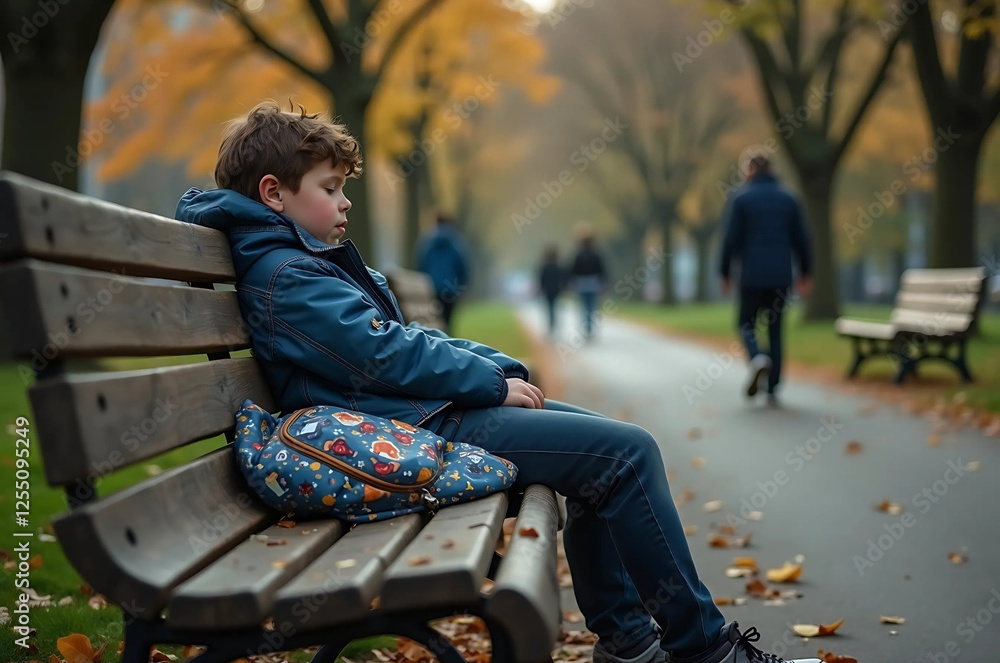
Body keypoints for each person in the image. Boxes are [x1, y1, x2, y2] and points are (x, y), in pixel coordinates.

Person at [176, 100, 820, 663]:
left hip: (410, 416)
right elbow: (384, 355)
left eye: (344, 186)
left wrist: (496, 368)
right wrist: (487, 383)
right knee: (626, 456)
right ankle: (701, 649)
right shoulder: (287, 276)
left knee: (610, 448)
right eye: (331, 186)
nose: (345, 201)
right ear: (272, 192)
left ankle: (631, 643)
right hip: (407, 429)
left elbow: (401, 344)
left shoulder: (291, 260)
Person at [719, 155, 813, 407]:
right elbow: (802, 239)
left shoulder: (741, 199)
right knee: (775, 328)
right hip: (781, 275)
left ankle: (757, 357)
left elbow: (730, 240)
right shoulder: (789, 198)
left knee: (745, 323)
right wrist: (805, 273)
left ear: (750, 170)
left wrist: (725, 273)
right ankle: (772, 388)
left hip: (751, 275)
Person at [415, 212, 469, 335]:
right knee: (448, 322)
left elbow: (421, 266)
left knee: (434, 321)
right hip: (450, 289)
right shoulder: (456, 243)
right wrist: (462, 285)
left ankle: (438, 343)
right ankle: (448, 342)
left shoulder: (427, 243)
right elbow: (462, 267)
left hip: (431, 289)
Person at [570, 227, 607, 342]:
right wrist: (603, 283)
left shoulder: (579, 255)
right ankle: (589, 329)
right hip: (593, 284)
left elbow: (573, 270)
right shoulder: (596, 255)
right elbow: (601, 270)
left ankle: (586, 329)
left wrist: (572, 282)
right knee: (591, 308)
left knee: (584, 308)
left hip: (581, 284)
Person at [538, 245, 565, 337]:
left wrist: (541, 289)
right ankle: (554, 324)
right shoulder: (558, 267)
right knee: (555, 308)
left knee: (550, 309)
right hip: (556, 291)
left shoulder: (545, 267)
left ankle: (551, 325)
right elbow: (562, 279)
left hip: (548, 291)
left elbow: (542, 280)